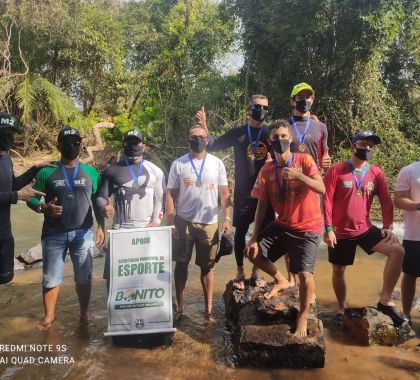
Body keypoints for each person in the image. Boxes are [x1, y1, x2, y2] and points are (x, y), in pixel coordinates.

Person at [244, 119, 325, 338]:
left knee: (305, 275)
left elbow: (322, 188)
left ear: (291, 138)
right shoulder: (267, 170)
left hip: (308, 227)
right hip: (283, 224)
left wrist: (299, 175)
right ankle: (281, 279)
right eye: (275, 138)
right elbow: (261, 204)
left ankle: (303, 315)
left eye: (283, 136)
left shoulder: (304, 160)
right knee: (252, 252)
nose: (279, 140)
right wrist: (253, 236)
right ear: (269, 142)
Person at [323, 131, 407, 325]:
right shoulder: (336, 171)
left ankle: (385, 300)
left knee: (397, 251)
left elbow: (386, 200)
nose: (367, 149)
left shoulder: (376, 173)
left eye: (370, 146)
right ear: (353, 147)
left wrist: (387, 226)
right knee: (338, 270)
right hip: (339, 231)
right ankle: (342, 307)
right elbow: (326, 201)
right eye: (362, 144)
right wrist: (328, 229)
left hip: (364, 229)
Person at [27, 127, 105, 330]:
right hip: (54, 234)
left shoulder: (90, 172)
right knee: (51, 276)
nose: (72, 146)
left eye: (75, 142)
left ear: (81, 144)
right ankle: (49, 317)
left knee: (84, 276)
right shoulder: (46, 172)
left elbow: (97, 201)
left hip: (83, 232)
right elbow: (30, 197)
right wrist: (43, 207)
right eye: (67, 142)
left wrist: (101, 227)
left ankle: (85, 313)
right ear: (58, 145)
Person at [195, 95, 275, 289]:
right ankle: (240, 271)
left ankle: (257, 271)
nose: (261, 111)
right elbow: (213, 144)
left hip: (266, 192)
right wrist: (204, 124)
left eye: (265, 107)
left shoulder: (269, 132)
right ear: (249, 109)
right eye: (257, 107)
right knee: (240, 232)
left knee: (264, 232)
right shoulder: (239, 133)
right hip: (244, 192)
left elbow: (285, 148)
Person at [166, 125, 232, 321]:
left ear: (207, 139)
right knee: (181, 265)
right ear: (188, 139)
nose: (198, 140)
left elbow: (224, 194)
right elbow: (170, 194)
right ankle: (180, 306)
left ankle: (208, 309)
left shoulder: (217, 163)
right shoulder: (178, 164)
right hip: (183, 222)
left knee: (208, 267)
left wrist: (227, 218)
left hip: (209, 223)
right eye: (194, 137)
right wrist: (170, 221)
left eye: (202, 137)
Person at [96, 129, 166, 291]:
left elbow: (161, 199)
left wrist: (156, 222)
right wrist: (104, 207)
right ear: (123, 145)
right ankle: (115, 311)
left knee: (148, 277)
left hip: (147, 232)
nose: (133, 146)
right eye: (129, 143)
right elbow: (100, 197)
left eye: (136, 143)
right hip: (120, 232)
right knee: (115, 277)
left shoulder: (156, 171)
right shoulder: (111, 170)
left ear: (144, 146)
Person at [286, 82, 331, 286]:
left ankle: (305, 279)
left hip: (312, 188)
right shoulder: (284, 126)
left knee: (309, 233)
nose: (305, 100)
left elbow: (325, 154)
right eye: (300, 97)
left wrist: (327, 161)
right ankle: (291, 279)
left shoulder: (321, 127)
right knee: (288, 230)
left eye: (308, 96)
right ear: (293, 100)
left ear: (313, 99)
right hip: (288, 188)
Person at [0, 112, 53, 284]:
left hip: (4, 232)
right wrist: (17, 196)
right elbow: (15, 192)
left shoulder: (6, 159)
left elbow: (13, 184)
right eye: (7, 133)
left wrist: (34, 168)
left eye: (13, 133)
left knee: (5, 278)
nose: (11, 137)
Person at [394, 160, 420, 322]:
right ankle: (406, 315)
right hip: (415, 235)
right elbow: (398, 200)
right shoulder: (409, 170)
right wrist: (418, 206)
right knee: (410, 275)